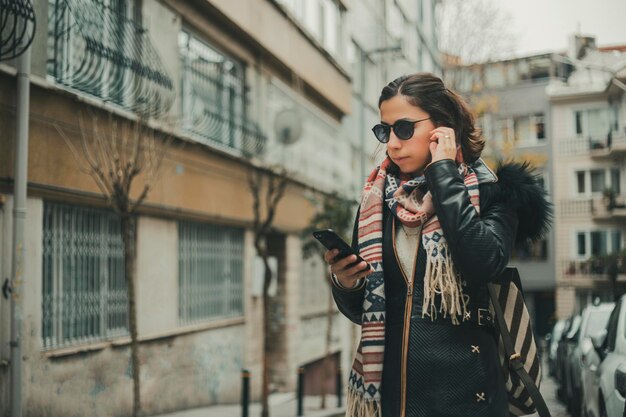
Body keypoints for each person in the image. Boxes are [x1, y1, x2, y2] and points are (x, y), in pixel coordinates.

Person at [324, 73, 551, 417]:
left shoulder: (494, 193)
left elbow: (483, 261)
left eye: (404, 128)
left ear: (443, 129)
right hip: (394, 402)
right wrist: (347, 282)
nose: (392, 144)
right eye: (385, 131)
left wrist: (442, 172)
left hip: (469, 400)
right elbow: (366, 312)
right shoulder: (377, 202)